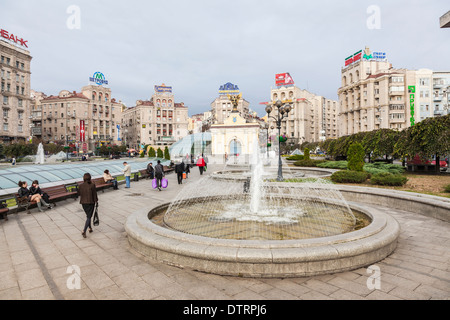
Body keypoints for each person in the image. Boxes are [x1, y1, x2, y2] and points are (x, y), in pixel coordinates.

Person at [78, 173, 98, 238]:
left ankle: (90, 228)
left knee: (88, 216)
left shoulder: (81, 185)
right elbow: (94, 194)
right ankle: (84, 230)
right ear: (90, 178)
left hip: (83, 203)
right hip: (90, 202)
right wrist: (96, 201)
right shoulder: (92, 185)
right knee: (89, 217)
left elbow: (79, 193)